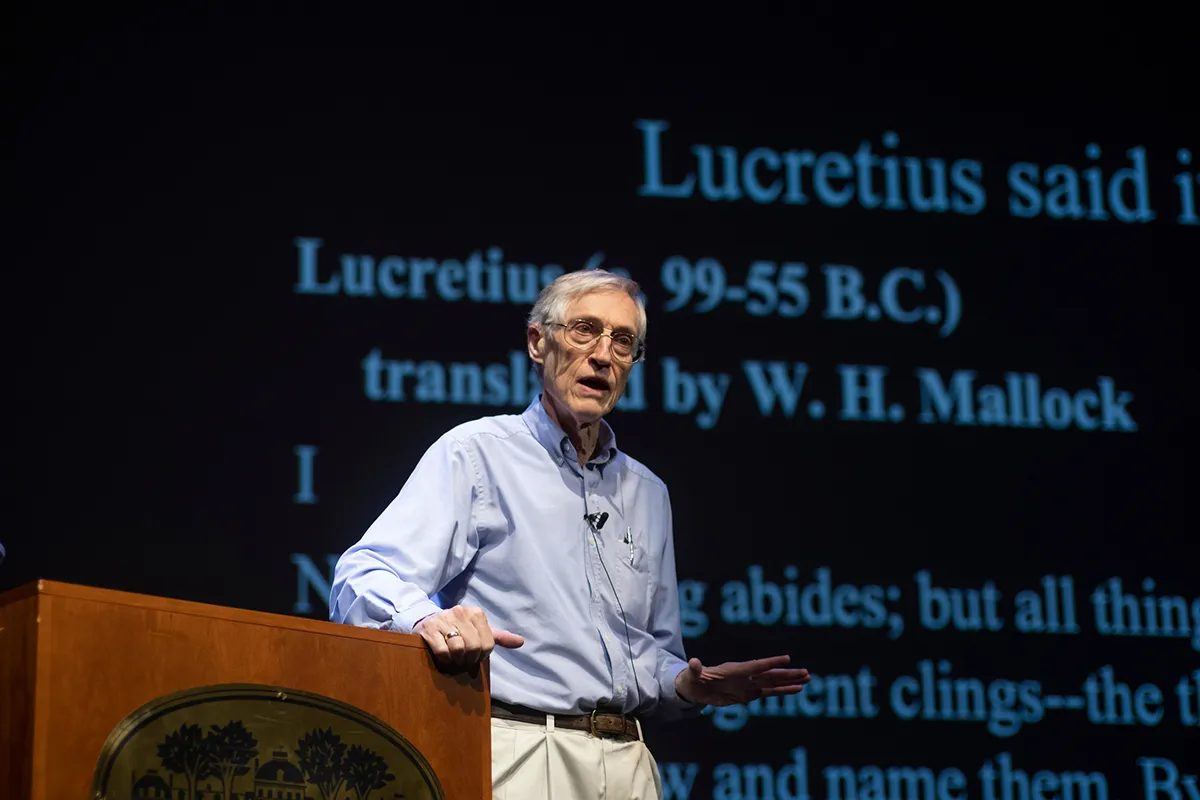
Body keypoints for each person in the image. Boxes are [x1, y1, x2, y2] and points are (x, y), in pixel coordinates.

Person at [330, 269, 810, 799]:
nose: (604, 355)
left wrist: (687, 685)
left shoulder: (648, 492)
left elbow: (648, 656)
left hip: (629, 764)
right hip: (521, 752)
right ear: (539, 342)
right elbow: (364, 573)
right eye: (585, 330)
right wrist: (426, 619)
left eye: (623, 342)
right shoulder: (478, 453)